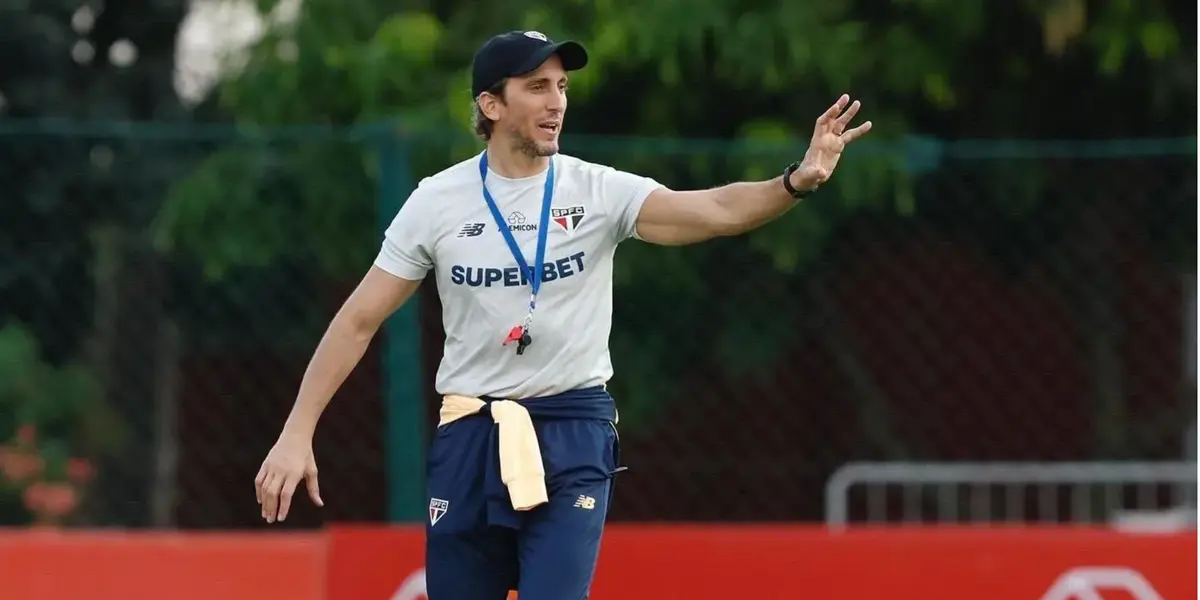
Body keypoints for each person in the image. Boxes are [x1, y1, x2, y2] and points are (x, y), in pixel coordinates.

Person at [254, 29, 871, 600]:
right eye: (538, 87)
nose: (557, 103)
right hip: (471, 432)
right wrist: (295, 433)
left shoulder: (595, 190)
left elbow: (712, 210)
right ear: (491, 105)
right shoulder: (436, 202)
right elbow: (358, 320)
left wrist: (796, 180)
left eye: (562, 87)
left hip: (573, 425)